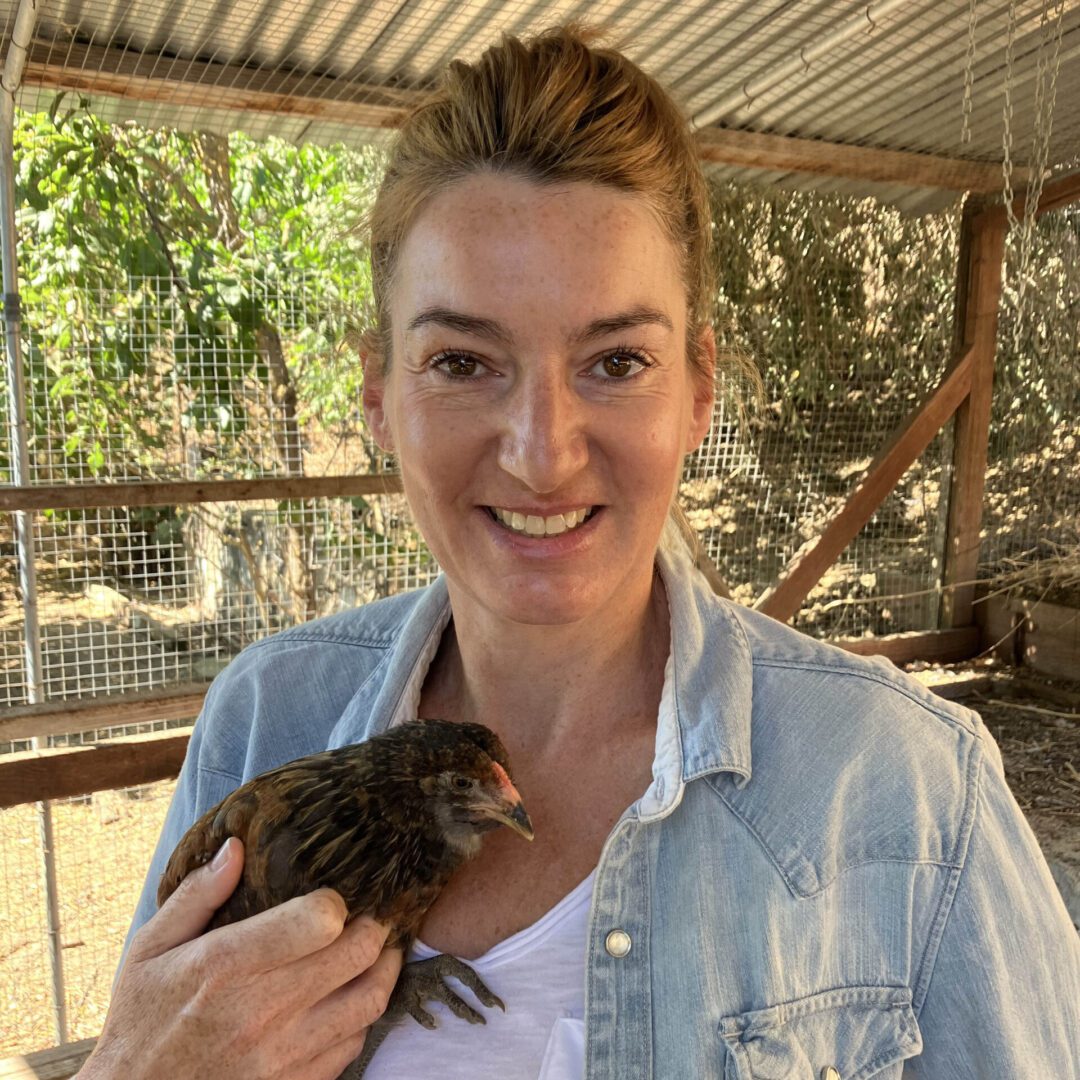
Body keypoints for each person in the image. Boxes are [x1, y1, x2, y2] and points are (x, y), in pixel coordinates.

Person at [79, 25, 1078, 1080]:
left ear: (699, 391)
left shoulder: (906, 791)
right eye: (463, 360)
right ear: (377, 392)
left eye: (616, 360)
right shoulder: (264, 722)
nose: (543, 454)